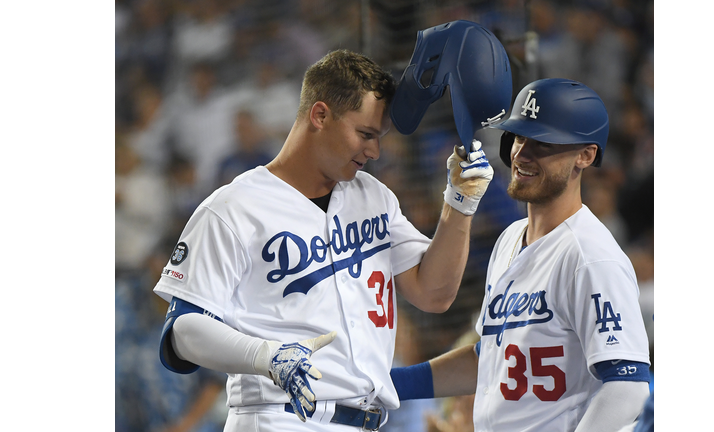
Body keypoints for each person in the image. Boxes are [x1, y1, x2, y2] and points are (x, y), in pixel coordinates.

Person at [152, 49, 496, 432]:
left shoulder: (374, 196)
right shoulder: (234, 207)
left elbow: (434, 294)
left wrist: (460, 204)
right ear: (320, 115)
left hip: (367, 421)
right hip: (280, 418)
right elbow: (182, 330)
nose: (374, 151)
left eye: (379, 138)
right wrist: (265, 356)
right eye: (365, 134)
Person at [389, 79, 651, 432]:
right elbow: (490, 359)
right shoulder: (511, 238)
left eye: (543, 143)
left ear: (585, 155)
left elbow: (627, 388)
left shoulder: (591, 257)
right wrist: (390, 384)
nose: (522, 154)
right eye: (519, 138)